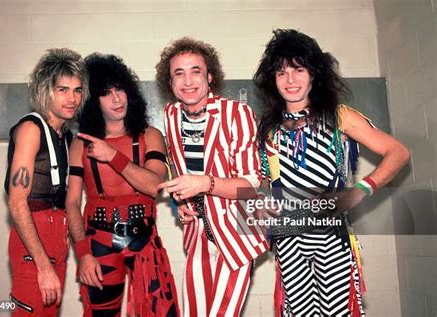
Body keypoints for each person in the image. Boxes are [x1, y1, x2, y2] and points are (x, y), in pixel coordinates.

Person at [254, 29, 410, 316]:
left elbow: (399, 152)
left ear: (313, 74)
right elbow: (267, 178)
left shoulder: (340, 116)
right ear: (272, 80)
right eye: (281, 72)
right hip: (288, 240)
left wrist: (362, 189)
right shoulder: (269, 127)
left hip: (331, 237)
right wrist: (264, 198)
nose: (290, 80)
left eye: (298, 70)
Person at [155, 37, 268, 317]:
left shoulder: (237, 114)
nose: (188, 80)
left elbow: (251, 185)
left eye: (195, 71)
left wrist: (205, 183)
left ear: (210, 76)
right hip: (198, 232)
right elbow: (179, 166)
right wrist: (179, 200)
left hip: (237, 232)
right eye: (178, 73)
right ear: (170, 83)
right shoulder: (171, 114)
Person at [65, 53, 179, 317]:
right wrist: (83, 253)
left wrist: (112, 156)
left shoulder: (151, 135)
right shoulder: (81, 143)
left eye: (120, 89)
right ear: (93, 101)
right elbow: (71, 202)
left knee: (161, 311)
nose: (117, 99)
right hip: (98, 243)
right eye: (106, 93)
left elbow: (153, 186)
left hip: (144, 240)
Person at [4, 48, 89, 316]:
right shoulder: (31, 128)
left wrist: (83, 251)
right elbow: (17, 203)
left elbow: (71, 203)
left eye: (77, 90)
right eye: (63, 89)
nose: (72, 98)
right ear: (45, 90)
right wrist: (42, 265)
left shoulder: (67, 137)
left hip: (58, 237)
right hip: (34, 239)